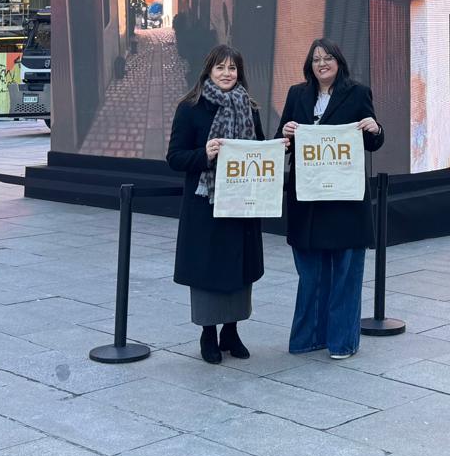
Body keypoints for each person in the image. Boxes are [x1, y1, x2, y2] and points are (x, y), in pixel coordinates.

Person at [278, 38, 385, 361]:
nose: (321, 64)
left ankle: (342, 342)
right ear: (309, 65)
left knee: (345, 275)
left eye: (327, 58)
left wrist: (374, 128)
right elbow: (279, 139)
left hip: (345, 200)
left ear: (339, 62)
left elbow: (372, 142)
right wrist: (285, 133)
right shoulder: (297, 94)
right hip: (307, 199)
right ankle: (309, 337)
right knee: (310, 274)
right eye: (315, 59)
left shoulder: (357, 93)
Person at [165, 44, 265, 365]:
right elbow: (175, 157)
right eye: (220, 68)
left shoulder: (250, 107)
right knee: (208, 272)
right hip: (205, 207)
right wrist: (204, 154)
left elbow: (260, 150)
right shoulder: (190, 107)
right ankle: (208, 333)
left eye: (232, 68)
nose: (227, 74)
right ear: (208, 70)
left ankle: (231, 332)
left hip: (241, 204)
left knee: (238, 271)